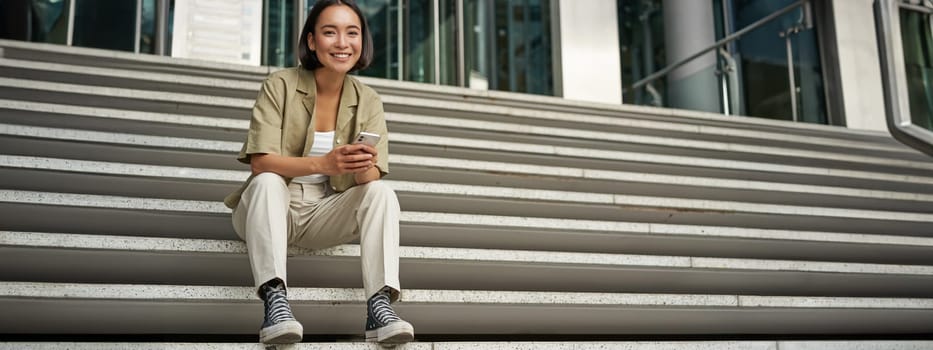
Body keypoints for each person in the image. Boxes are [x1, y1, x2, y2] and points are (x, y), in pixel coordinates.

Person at [223, 0, 413, 345]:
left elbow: (370, 184)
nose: (342, 42)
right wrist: (324, 164)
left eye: (351, 32)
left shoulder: (368, 99)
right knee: (267, 181)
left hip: (323, 212)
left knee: (383, 192)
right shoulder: (279, 84)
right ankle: (275, 301)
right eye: (330, 32)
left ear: (362, 41)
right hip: (267, 206)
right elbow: (260, 162)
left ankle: (379, 306)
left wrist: (362, 165)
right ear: (311, 41)